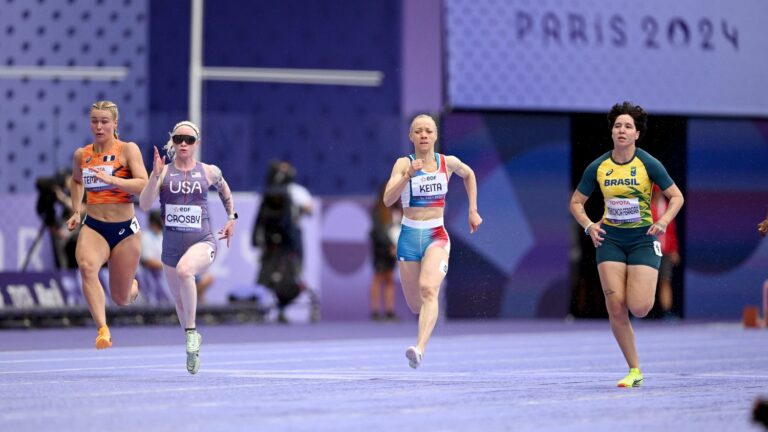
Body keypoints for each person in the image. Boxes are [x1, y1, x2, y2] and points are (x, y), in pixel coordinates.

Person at [569, 101, 684, 387]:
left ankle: (640, 289)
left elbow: (677, 197)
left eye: (628, 127)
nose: (622, 130)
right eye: (618, 126)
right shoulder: (599, 166)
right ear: (612, 132)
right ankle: (634, 369)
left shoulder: (648, 163)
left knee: (640, 306)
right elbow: (576, 202)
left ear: (636, 134)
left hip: (643, 240)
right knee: (616, 306)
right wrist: (588, 226)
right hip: (610, 240)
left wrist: (664, 221)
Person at [383, 114, 483, 368]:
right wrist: (407, 175)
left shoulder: (446, 163)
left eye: (428, 130)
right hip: (408, 236)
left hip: (435, 235)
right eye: (418, 131)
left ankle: (419, 349)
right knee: (415, 304)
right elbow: (387, 199)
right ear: (411, 137)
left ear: (436, 135)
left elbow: (469, 174)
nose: (424, 135)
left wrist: (473, 210)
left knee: (429, 289)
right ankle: (422, 331)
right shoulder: (401, 164)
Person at [139, 120, 237, 374]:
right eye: (179, 139)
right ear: (172, 141)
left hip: (203, 242)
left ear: (197, 144)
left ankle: (192, 333)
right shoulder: (163, 173)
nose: (183, 143)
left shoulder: (208, 172)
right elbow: (145, 205)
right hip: (170, 249)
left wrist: (231, 218)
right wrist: (154, 176)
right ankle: (191, 343)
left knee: (185, 271)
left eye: (189, 140)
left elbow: (225, 190)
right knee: (180, 304)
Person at [66, 100, 148, 349]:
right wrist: (76, 210)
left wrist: (112, 180)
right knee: (87, 266)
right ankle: (103, 330)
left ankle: (133, 287)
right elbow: (76, 181)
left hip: (124, 231)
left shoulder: (127, 150)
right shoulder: (83, 154)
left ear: (115, 123)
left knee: (121, 297)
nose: (99, 126)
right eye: (94, 121)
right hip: (94, 226)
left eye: (104, 121)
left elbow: (143, 184)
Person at [252, 160, 318, 323]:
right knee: (285, 274)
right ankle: (280, 307)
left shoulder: (279, 192)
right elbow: (310, 209)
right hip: (283, 242)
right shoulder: (294, 191)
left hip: (281, 241)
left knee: (287, 274)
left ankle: (281, 307)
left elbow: (309, 209)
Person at [369, 181, 401, 321]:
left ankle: (389, 311)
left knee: (389, 278)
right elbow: (378, 231)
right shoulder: (378, 210)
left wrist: (398, 246)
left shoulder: (398, 210)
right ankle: (375, 311)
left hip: (393, 249)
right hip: (381, 248)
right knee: (378, 277)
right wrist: (389, 245)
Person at [651, 184, 681, 320]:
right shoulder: (644, 207)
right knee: (644, 281)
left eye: (658, 192)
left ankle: (667, 312)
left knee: (665, 281)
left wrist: (674, 249)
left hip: (665, 251)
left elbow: (671, 231)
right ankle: (638, 312)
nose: (657, 194)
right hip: (648, 250)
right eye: (654, 192)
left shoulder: (668, 207)